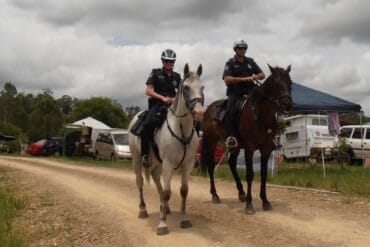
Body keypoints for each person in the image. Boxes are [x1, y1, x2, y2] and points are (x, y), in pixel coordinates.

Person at [140, 49, 182, 167]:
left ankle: (191, 155)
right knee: (147, 124)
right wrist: (162, 98)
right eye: (167, 61)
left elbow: (181, 93)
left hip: (173, 105)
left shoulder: (177, 77)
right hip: (157, 104)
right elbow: (148, 90)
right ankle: (144, 155)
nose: (169, 64)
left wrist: (173, 99)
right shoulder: (155, 72)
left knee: (191, 121)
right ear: (163, 61)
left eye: (171, 61)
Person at [222, 39, 265, 150]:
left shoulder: (250, 61)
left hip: (250, 90)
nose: (243, 50)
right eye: (240, 48)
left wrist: (256, 76)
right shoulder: (230, 63)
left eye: (244, 48)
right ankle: (231, 137)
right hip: (235, 92)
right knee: (229, 111)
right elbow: (227, 79)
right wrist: (243, 79)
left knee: (265, 103)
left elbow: (262, 74)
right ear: (235, 49)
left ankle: (268, 130)